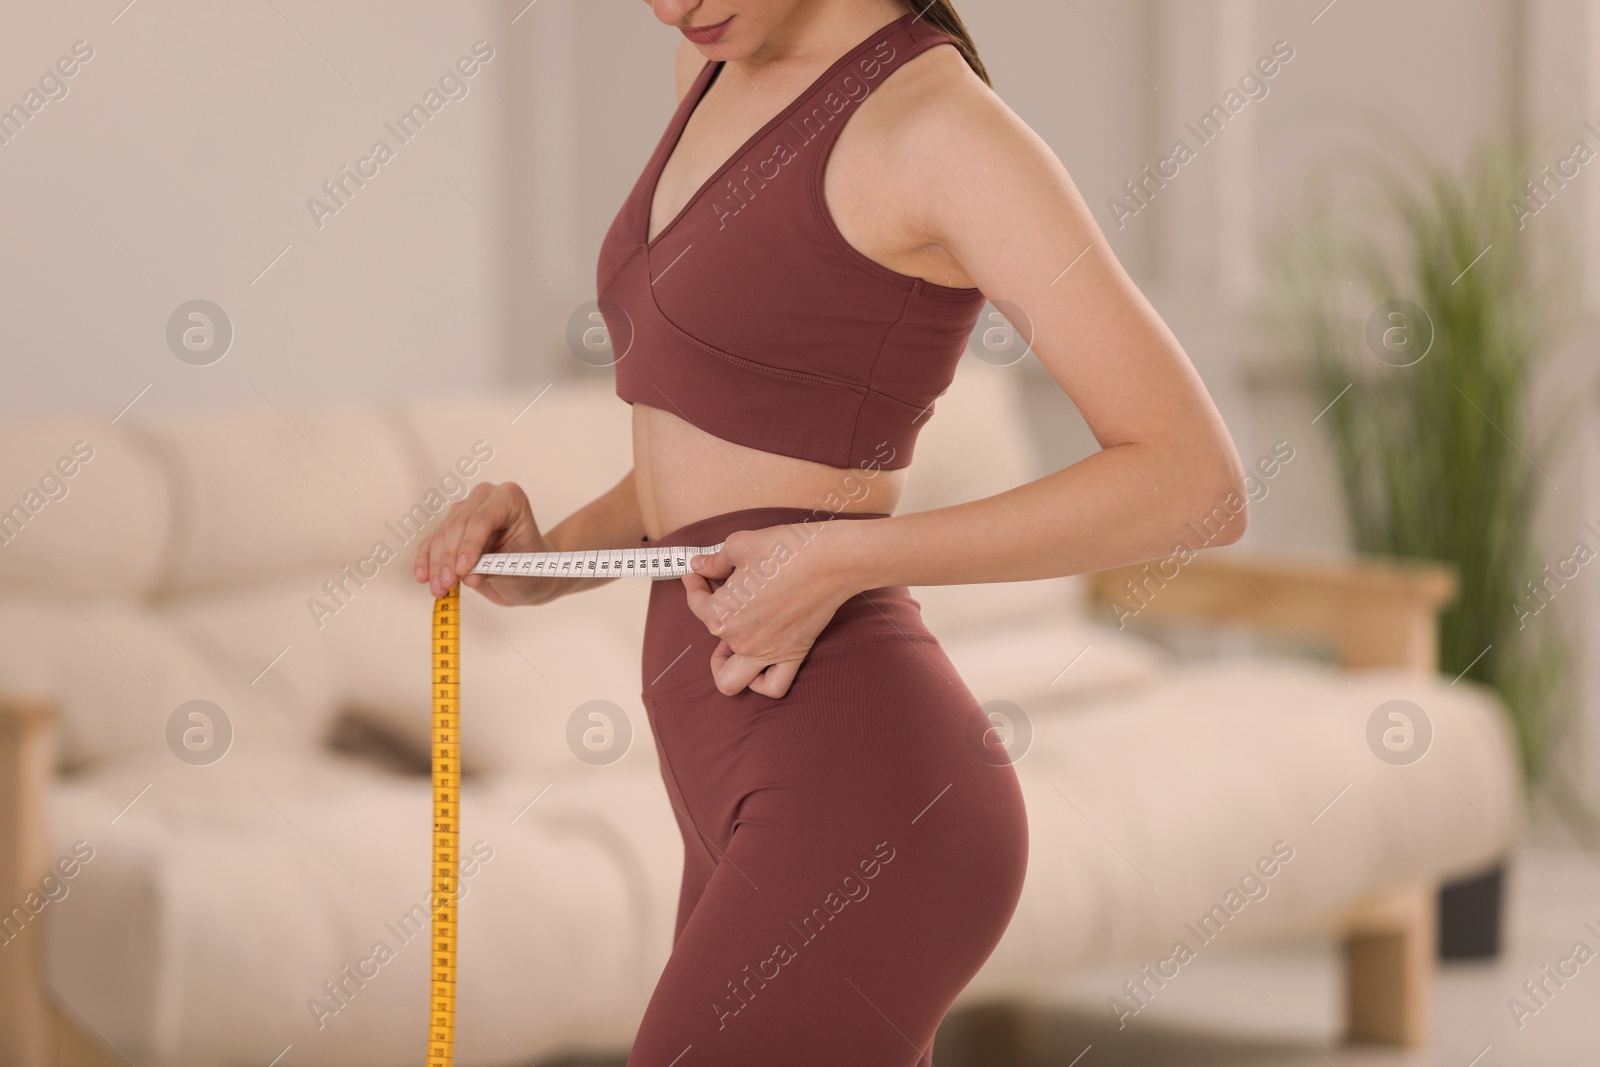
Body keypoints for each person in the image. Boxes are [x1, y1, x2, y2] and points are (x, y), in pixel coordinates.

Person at [414, 1, 1248, 1062]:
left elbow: (1195, 483)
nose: (668, 6)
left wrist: (848, 552)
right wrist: (552, 561)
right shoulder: (709, 66)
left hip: (860, 788)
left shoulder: (940, 132)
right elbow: (737, 432)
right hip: (720, 758)